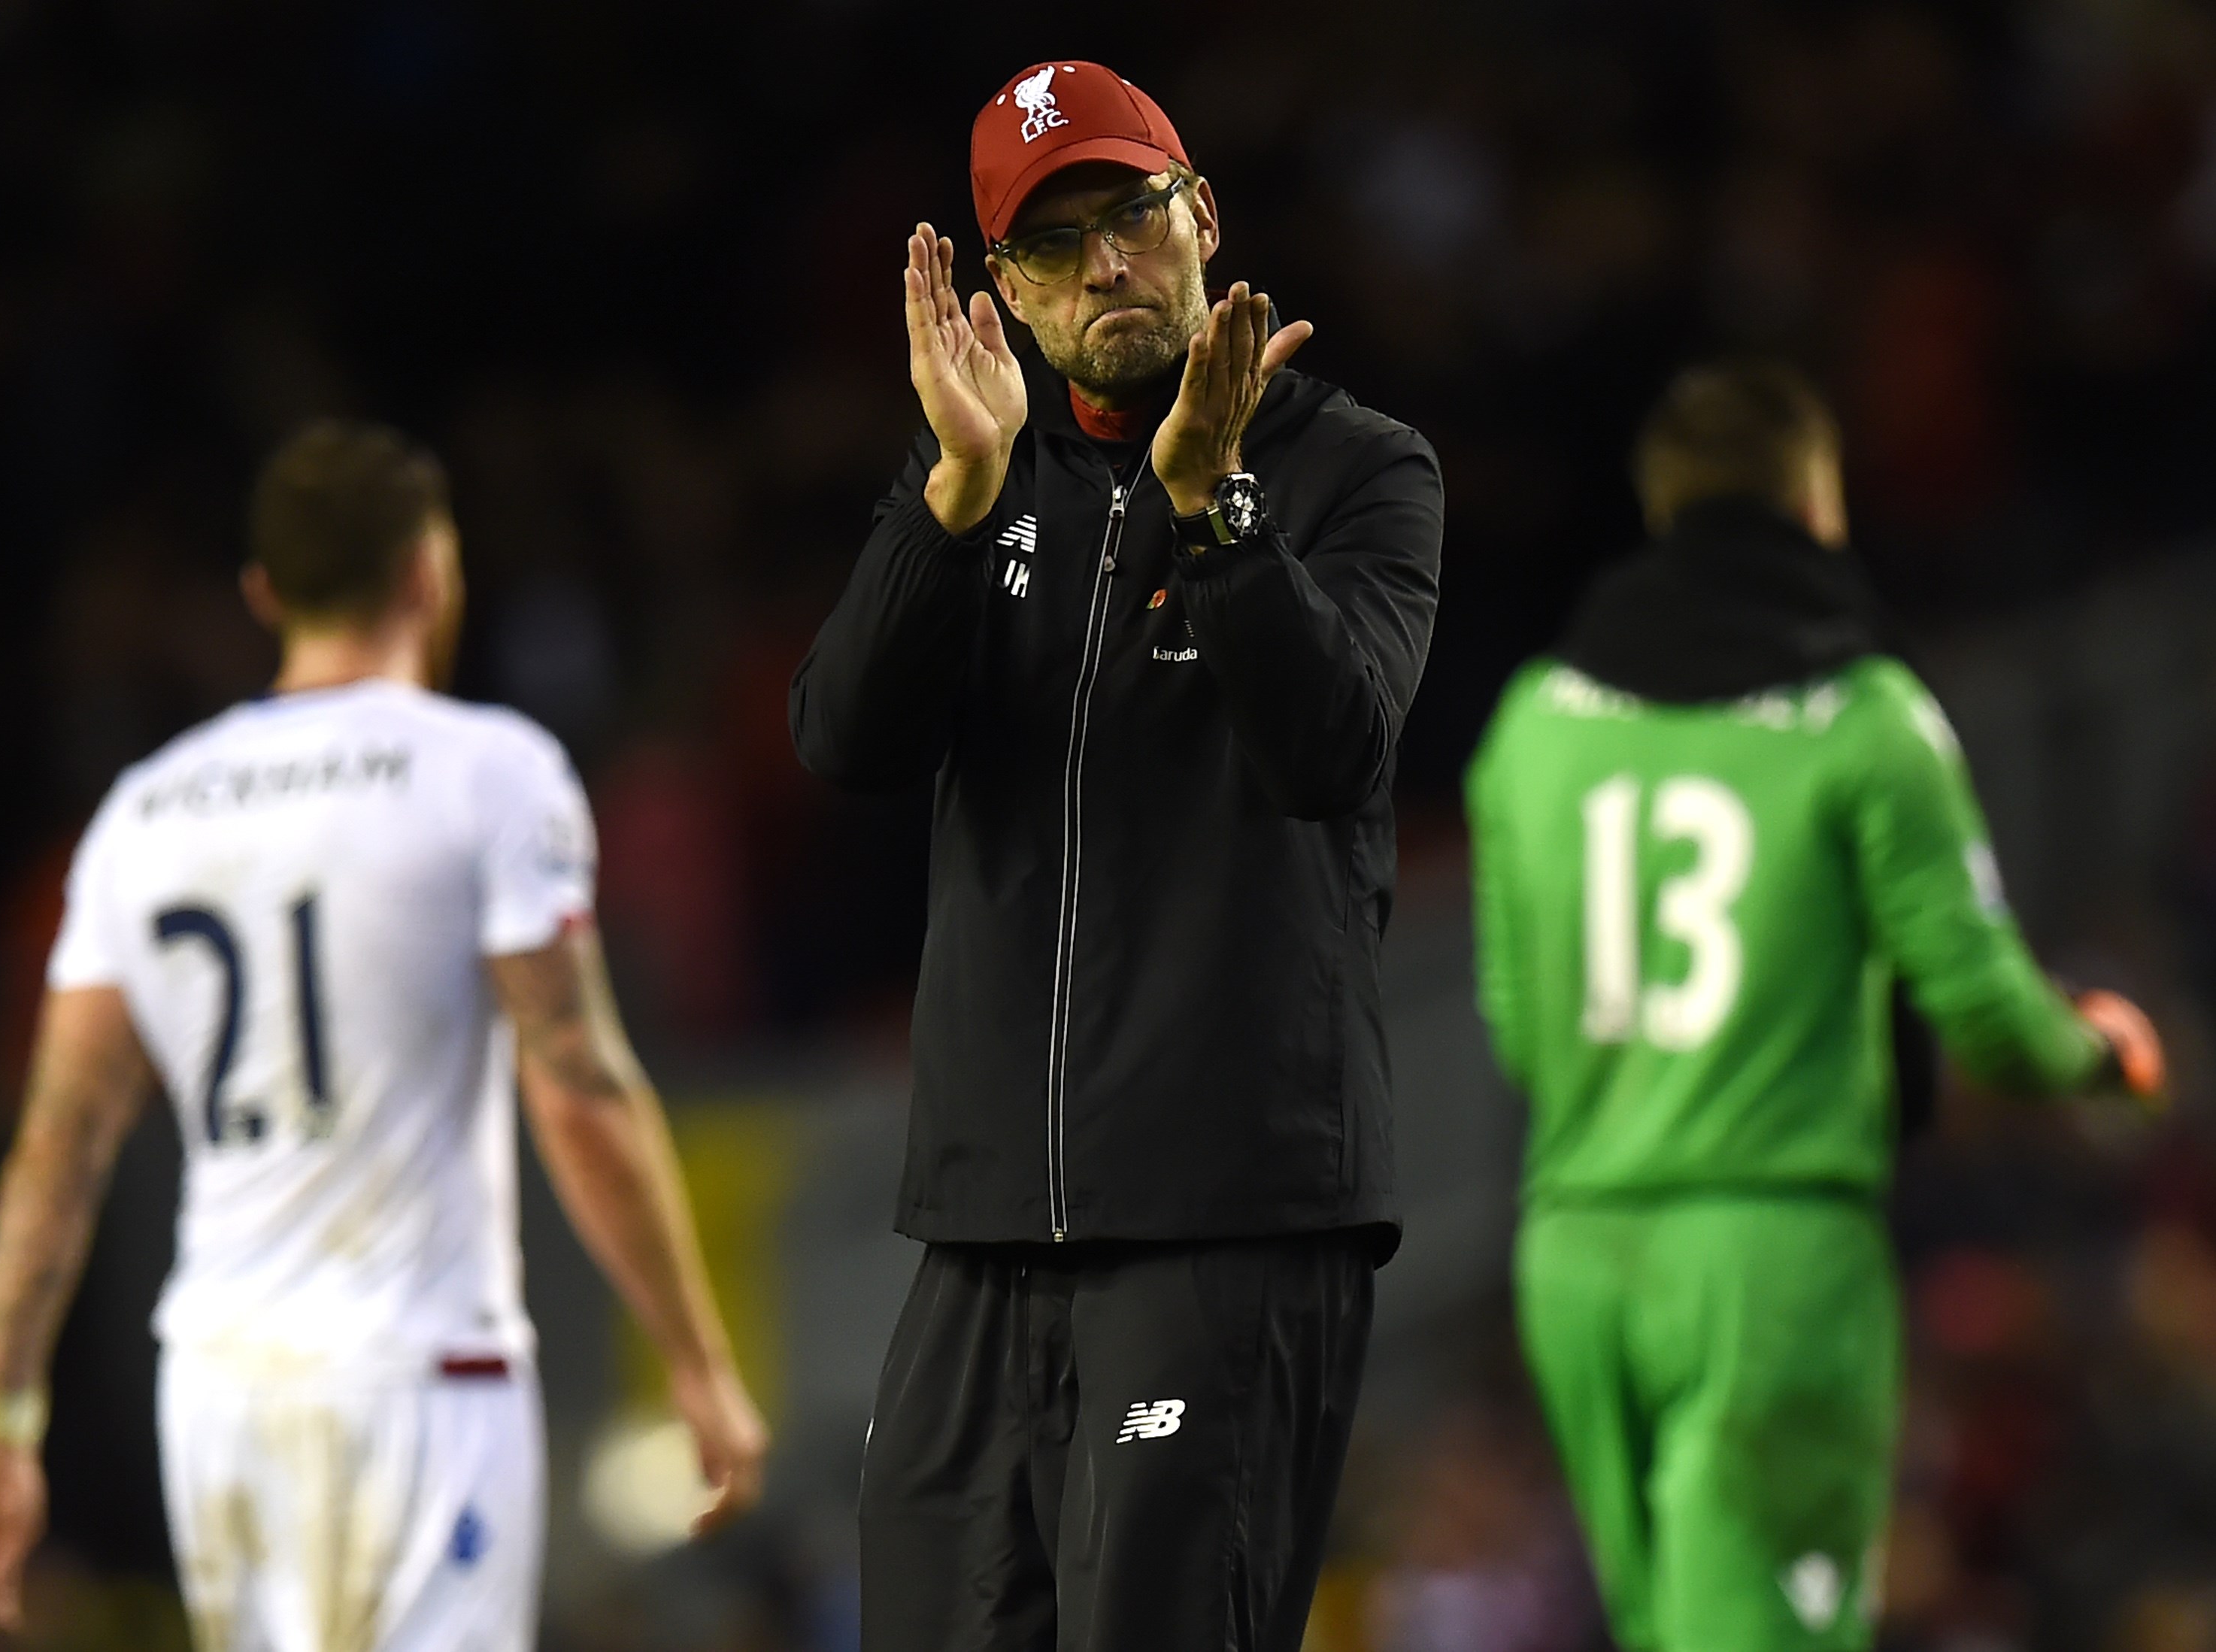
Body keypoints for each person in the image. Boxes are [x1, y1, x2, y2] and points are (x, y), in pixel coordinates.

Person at [0, 420, 767, 1650]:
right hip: (420, 1367)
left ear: (265, 592)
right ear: (431, 571)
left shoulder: (143, 814)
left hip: (219, 1378)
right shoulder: (488, 772)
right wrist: (696, 1358)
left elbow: (56, 1142)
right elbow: (576, 1083)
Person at [791, 61, 1444, 1652]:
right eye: (1055, 244)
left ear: (1200, 216)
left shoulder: (1354, 469)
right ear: (1001, 293)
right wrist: (944, 501)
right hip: (986, 1226)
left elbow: (1332, 748)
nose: (1105, 268)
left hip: (1226, 1219)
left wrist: (1216, 511)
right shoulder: (982, 479)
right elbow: (843, 746)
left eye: (1131, 218)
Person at [1464, 360, 2166, 1652]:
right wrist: (2099, 1052)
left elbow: (1517, 1022)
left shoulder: (1532, 724)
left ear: (1664, 507)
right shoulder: (1866, 717)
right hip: (1773, 1247)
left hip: (1576, 1252)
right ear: (1816, 501)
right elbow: (1990, 1020)